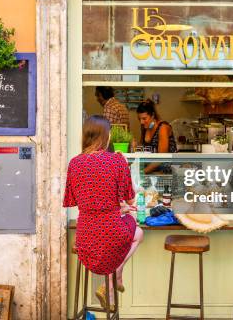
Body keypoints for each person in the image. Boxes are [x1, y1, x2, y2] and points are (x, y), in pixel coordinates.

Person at [63, 115, 143, 309]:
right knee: (139, 232)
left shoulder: (74, 163)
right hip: (112, 233)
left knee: (127, 228)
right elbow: (131, 198)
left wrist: (115, 207)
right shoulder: (116, 161)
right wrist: (122, 206)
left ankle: (113, 279)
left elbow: (73, 201)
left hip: (85, 239)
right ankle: (114, 276)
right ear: (106, 137)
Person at [136, 99, 177, 174]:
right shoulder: (145, 127)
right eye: (139, 119)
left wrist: (142, 172)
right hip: (151, 170)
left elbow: (161, 158)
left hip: (166, 172)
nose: (141, 122)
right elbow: (142, 149)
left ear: (152, 115)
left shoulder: (162, 127)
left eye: (144, 118)